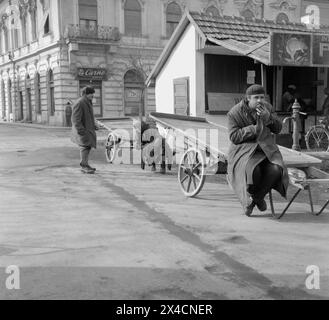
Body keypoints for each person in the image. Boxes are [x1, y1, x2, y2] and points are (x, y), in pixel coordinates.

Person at [227, 84, 289, 216]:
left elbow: (278, 129)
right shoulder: (234, 112)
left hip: (266, 149)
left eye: (262, 97)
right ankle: (256, 199)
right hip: (244, 151)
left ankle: (256, 199)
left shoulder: (268, 108)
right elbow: (234, 136)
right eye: (256, 97)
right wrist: (254, 128)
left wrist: (269, 119)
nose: (260, 100)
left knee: (277, 169)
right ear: (248, 98)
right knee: (254, 170)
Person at [71, 86, 99, 174]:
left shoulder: (87, 102)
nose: (93, 95)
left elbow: (89, 116)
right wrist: (81, 131)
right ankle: (84, 166)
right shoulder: (80, 102)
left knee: (87, 147)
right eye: (91, 94)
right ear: (86, 94)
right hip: (83, 131)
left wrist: (94, 125)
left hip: (88, 129)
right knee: (84, 147)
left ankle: (85, 164)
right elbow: (75, 119)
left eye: (93, 94)